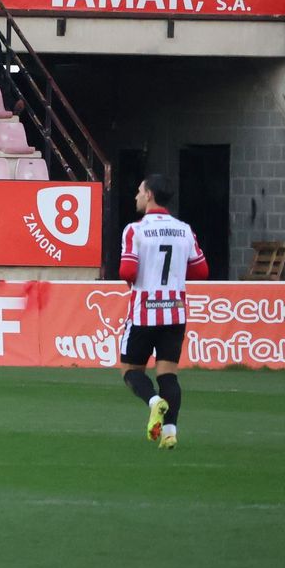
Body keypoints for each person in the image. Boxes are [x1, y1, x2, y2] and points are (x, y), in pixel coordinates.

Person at [119, 174, 209, 452]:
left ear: (149, 195)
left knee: (130, 371)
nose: (136, 196)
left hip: (144, 311)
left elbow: (127, 271)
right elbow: (201, 271)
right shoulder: (184, 229)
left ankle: (153, 402)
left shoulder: (135, 230)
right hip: (175, 313)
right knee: (168, 375)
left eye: (139, 191)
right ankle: (170, 432)